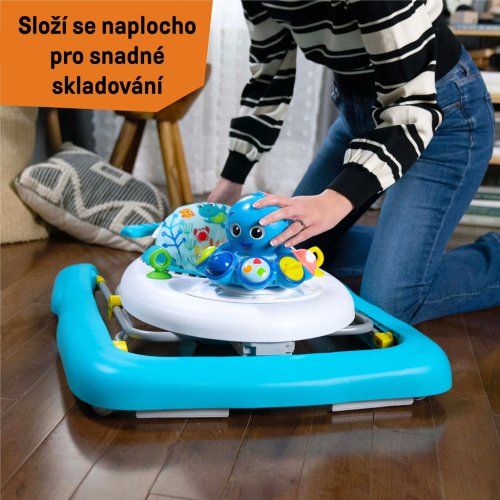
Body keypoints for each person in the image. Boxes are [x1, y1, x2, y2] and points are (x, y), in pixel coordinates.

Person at [207, 0, 500, 324]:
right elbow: (269, 79)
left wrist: (336, 200)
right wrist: (232, 177)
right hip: (361, 116)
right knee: (288, 249)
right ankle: (406, 256)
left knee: (388, 301)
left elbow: (411, 107)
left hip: (440, 118)